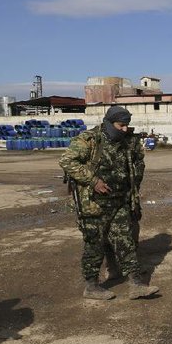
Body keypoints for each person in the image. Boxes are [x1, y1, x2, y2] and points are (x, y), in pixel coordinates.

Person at [59, 106, 159, 300]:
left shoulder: (128, 141)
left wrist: (133, 196)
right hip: (93, 204)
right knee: (94, 244)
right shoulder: (89, 140)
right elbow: (67, 161)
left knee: (126, 241)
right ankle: (92, 287)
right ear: (109, 123)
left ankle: (136, 284)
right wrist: (93, 181)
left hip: (120, 201)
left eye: (126, 126)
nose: (124, 129)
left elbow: (136, 165)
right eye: (121, 125)